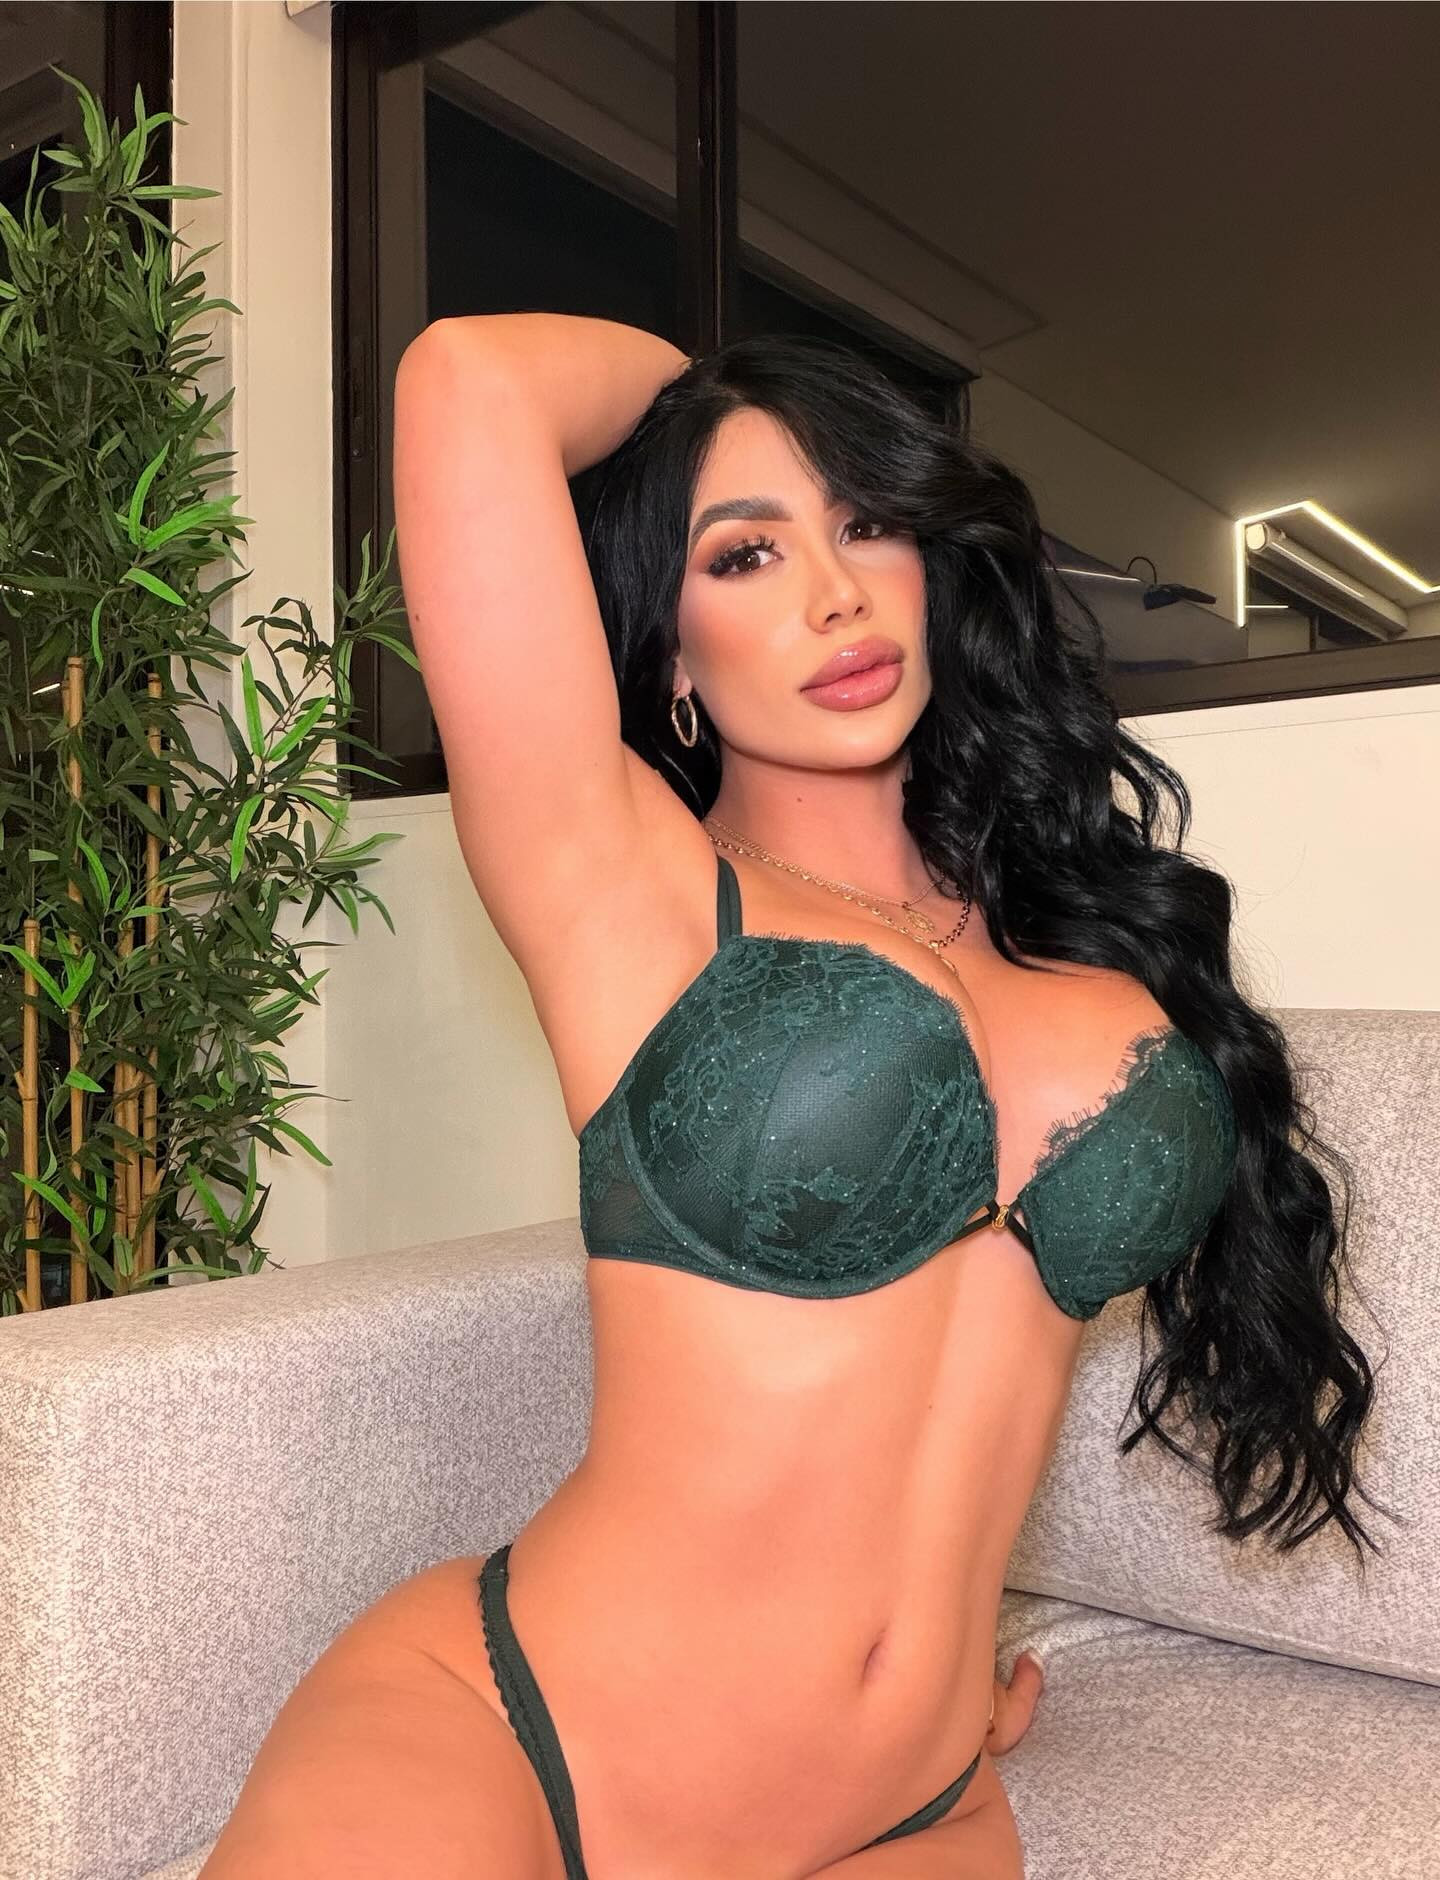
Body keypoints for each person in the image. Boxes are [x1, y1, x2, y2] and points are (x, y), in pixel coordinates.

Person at [201, 315, 1392, 1880]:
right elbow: (467, 382)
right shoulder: (624, 881)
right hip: (525, 1743)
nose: (835, 592)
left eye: (870, 521)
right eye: (746, 554)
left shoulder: (1076, 936)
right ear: (671, 655)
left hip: (913, 1803)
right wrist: (723, 394)